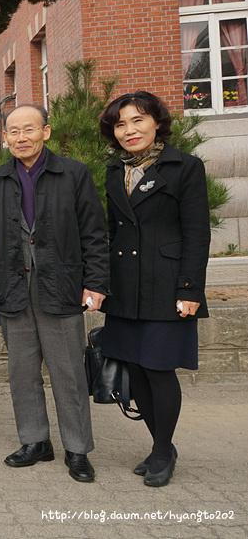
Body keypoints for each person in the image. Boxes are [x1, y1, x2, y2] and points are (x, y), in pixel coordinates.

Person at [0, 104, 108, 483]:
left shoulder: (73, 173)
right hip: (12, 289)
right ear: (5, 137)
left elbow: (94, 233)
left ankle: (77, 449)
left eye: (29, 129)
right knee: (22, 374)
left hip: (61, 290)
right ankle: (35, 441)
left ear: (46, 132)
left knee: (69, 375)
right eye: (13, 131)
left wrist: (96, 284)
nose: (21, 137)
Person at [98, 91, 210, 487]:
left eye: (138, 120)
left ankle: (164, 451)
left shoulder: (184, 167)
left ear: (157, 122)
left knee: (159, 370)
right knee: (135, 371)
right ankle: (158, 444)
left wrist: (190, 289)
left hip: (167, 286)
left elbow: (197, 234)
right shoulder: (115, 171)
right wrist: (101, 283)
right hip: (125, 287)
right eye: (120, 124)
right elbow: (113, 232)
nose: (129, 130)